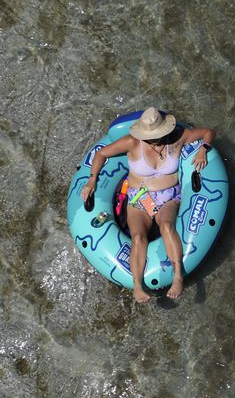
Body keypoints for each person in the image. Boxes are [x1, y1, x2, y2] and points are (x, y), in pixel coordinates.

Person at [81, 107, 215, 302]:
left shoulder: (177, 138)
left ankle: (178, 276)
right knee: (137, 236)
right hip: (139, 199)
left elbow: (208, 132)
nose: (154, 139)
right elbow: (101, 154)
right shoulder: (132, 142)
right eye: (151, 136)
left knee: (167, 226)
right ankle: (137, 285)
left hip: (168, 197)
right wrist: (92, 180)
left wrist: (204, 149)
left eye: (158, 135)